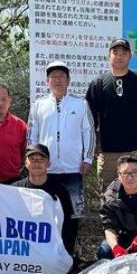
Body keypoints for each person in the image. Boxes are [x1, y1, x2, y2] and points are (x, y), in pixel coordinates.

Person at [27, 59, 95, 219]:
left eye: (61, 76)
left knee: (72, 215)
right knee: (43, 215)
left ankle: (69, 245)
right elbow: (31, 135)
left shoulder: (81, 104)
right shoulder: (38, 105)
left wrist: (88, 159)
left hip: (73, 168)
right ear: (47, 81)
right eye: (53, 76)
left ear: (68, 80)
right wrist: (32, 160)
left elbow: (89, 131)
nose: (57, 80)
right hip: (45, 170)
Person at [86, 38, 137, 186]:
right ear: (109, 55)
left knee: (136, 194)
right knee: (108, 196)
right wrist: (92, 144)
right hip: (107, 152)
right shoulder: (98, 83)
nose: (119, 56)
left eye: (123, 53)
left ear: (130, 56)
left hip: (134, 150)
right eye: (115, 52)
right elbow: (90, 118)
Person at [13, 143, 76, 258]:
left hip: (50, 251)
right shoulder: (14, 190)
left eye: (41, 160)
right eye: (32, 159)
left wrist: (66, 254)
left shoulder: (60, 191)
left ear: (48, 164)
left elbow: (68, 225)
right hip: (21, 250)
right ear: (26, 163)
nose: (36, 163)